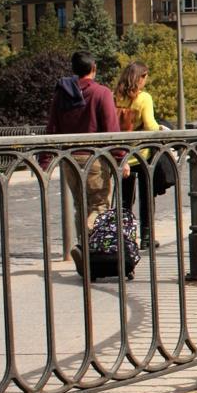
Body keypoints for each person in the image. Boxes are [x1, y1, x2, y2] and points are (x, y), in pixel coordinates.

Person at [44, 51, 129, 273]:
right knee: (99, 205)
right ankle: (85, 247)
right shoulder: (101, 93)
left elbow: (52, 126)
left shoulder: (61, 94)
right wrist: (121, 158)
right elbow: (112, 129)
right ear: (94, 68)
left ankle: (88, 255)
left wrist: (44, 159)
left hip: (69, 158)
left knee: (80, 206)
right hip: (94, 159)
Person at [114, 61, 160, 249]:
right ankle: (147, 237)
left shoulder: (114, 96)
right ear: (140, 77)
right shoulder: (144, 98)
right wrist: (161, 129)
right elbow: (150, 126)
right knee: (146, 196)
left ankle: (125, 237)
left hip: (121, 155)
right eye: (145, 77)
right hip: (141, 154)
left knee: (125, 199)